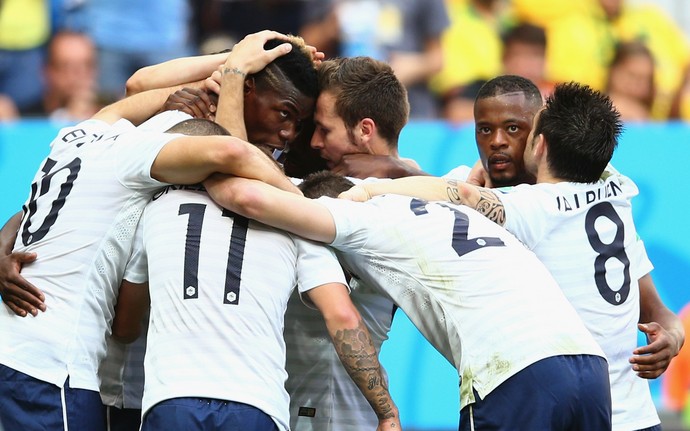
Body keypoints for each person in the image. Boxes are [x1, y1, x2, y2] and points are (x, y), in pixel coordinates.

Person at [0, 31, 307, 430]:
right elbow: (230, 151)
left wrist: (232, 63)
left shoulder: (80, 133)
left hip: (14, 346)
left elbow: (137, 87)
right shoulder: (138, 157)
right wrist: (306, 209)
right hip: (52, 367)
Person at [344, 81, 686, 431]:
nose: (496, 142)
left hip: (564, 404)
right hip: (613, 410)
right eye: (484, 129)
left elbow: (653, 307)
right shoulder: (611, 186)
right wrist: (674, 332)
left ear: (540, 136)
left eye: (513, 128)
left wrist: (378, 180)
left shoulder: (526, 207)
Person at [203, 169, 612, 430]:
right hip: (591, 367)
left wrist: (204, 168)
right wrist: (372, 187)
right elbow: (450, 185)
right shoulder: (447, 208)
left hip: (514, 374)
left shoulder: (355, 219)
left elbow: (248, 199)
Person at [111, 117, 400, 431]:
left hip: (173, 401)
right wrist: (385, 413)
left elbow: (125, 327)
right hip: (257, 404)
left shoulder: (153, 211)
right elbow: (342, 316)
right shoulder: (293, 217)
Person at [300, 0, 450, 118]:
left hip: (408, 111)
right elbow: (305, 45)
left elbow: (438, 59)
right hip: (343, 109)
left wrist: (412, 66)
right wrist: (329, 28)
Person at [22, 30, 103, 121]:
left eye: (87, 65)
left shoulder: (112, 117)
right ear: (47, 71)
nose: (79, 74)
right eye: (67, 66)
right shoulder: (26, 119)